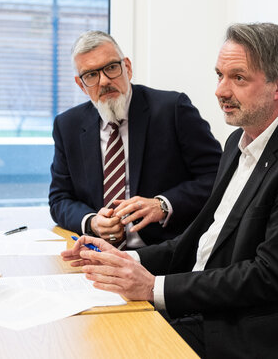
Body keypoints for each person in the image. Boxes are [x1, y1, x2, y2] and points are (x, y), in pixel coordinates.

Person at [62, 23, 278, 359]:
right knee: (85, 335)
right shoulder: (236, 144)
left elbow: (269, 277)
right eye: (219, 76)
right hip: (202, 308)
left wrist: (153, 287)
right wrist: (121, 261)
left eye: (238, 78)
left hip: (247, 332)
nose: (220, 91)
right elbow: (195, 243)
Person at [49, 31, 222, 248]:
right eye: (91, 75)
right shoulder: (68, 126)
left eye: (111, 68)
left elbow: (218, 176)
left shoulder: (172, 109)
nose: (104, 81)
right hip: (99, 253)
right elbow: (59, 199)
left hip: (166, 253)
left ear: (127, 68)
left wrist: (164, 205)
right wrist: (92, 222)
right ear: (81, 84)